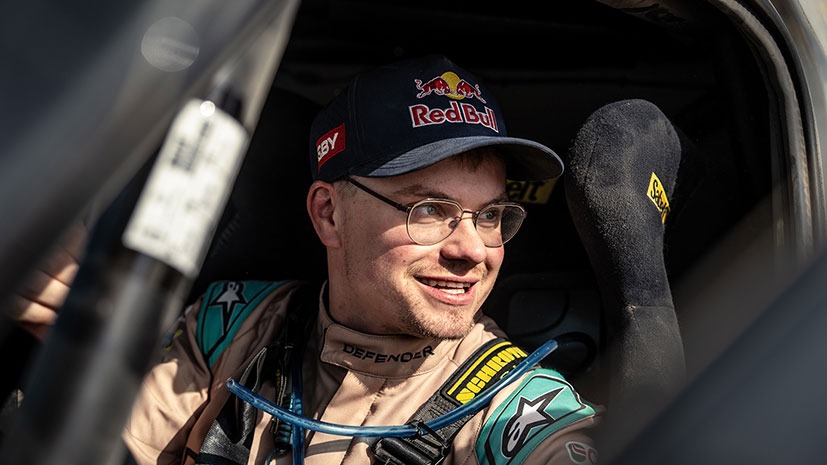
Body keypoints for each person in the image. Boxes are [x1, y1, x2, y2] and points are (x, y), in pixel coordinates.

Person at [17, 54, 603, 465]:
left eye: (490, 215)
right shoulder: (234, 322)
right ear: (328, 214)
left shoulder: (518, 409)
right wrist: (74, 343)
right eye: (429, 210)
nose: (472, 249)